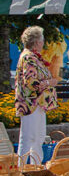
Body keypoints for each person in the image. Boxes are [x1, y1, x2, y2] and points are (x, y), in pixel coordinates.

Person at [14, 26, 56, 161]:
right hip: (31, 104)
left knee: (37, 138)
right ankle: (23, 172)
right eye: (42, 40)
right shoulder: (29, 57)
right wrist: (49, 83)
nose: (43, 43)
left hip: (36, 104)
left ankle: (35, 169)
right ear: (37, 42)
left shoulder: (32, 56)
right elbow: (31, 82)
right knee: (29, 139)